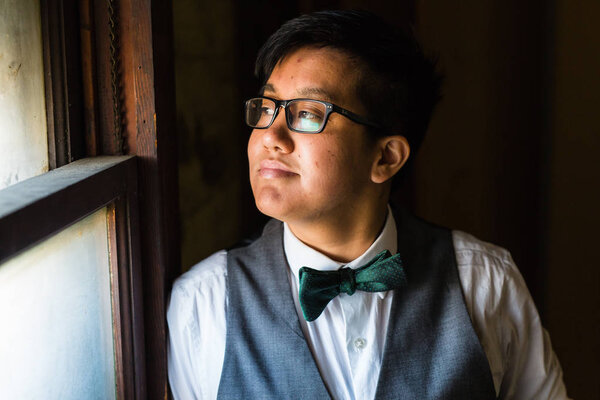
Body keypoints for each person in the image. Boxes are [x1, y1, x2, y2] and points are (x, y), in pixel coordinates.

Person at [167, 10, 569, 400]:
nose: (271, 135)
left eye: (307, 113)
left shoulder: (485, 282)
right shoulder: (202, 304)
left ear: (386, 158)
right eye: (267, 106)